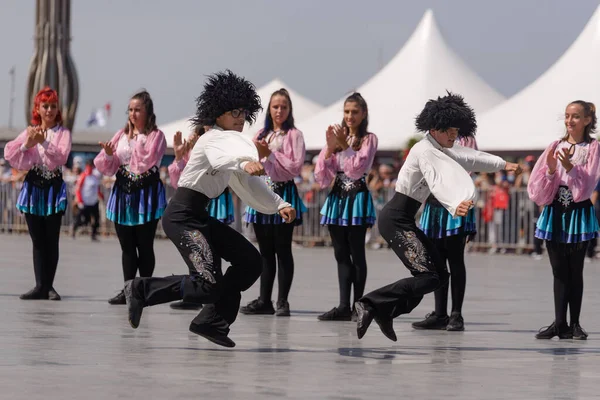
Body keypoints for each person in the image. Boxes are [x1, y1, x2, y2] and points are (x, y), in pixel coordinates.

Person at [123, 70, 296, 348]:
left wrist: (279, 204)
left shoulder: (230, 141)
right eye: (233, 112)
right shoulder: (214, 139)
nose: (240, 118)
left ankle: (212, 321)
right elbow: (226, 156)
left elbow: (248, 183)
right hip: (182, 216)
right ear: (217, 114)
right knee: (207, 283)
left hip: (199, 215)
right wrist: (244, 162)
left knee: (251, 263)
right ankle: (142, 289)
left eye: (243, 112)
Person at [354, 92, 521, 341]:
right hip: (395, 219)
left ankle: (386, 311)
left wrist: (499, 164)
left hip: (404, 219)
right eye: (449, 130)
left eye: (456, 129)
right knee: (429, 276)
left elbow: (468, 156)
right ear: (434, 127)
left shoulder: (441, 147)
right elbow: (437, 179)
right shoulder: (425, 150)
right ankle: (370, 303)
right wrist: (455, 203)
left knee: (441, 276)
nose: (454, 135)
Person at [528, 101, 599, 340]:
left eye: (576, 116)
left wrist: (569, 166)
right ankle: (560, 323)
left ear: (587, 120)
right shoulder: (555, 145)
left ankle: (575, 322)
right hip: (555, 210)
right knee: (558, 270)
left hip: (578, 212)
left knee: (574, 269)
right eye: (567, 116)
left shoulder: (593, 147)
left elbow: (586, 187)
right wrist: (550, 170)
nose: (570, 121)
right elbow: (538, 184)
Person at [94, 90, 167, 305]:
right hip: (124, 193)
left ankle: (143, 289)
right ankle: (128, 289)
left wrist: (137, 140)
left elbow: (147, 160)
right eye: (131, 110)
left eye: (138, 110)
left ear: (147, 112)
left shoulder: (156, 136)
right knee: (127, 246)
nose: (133, 114)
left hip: (146, 194)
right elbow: (110, 165)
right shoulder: (121, 135)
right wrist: (109, 154)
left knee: (144, 245)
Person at [240, 88, 307, 317]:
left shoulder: (294, 135)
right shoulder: (261, 133)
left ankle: (282, 301)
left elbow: (295, 166)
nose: (279, 111)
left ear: (289, 110)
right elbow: (251, 159)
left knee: (283, 248)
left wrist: (270, 154)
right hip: (262, 191)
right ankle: (264, 299)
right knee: (265, 250)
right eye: (275, 106)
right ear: (269, 109)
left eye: (284, 107)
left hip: (284, 192)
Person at [314, 93, 378, 321]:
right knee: (341, 253)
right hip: (337, 198)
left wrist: (345, 147)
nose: (350, 116)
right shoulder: (337, 136)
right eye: (346, 111)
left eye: (354, 112)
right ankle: (343, 305)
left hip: (357, 198)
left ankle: (358, 305)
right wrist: (330, 150)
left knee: (357, 252)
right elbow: (322, 176)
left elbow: (357, 169)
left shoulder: (369, 139)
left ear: (363, 114)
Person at [4, 87, 72, 300]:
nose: (49, 110)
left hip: (53, 188)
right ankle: (39, 285)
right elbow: (12, 154)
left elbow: (60, 157)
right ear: (38, 108)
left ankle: (49, 286)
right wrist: (27, 144)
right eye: (45, 106)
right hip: (34, 187)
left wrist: (42, 141)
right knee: (37, 239)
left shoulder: (63, 133)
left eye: (53, 106)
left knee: (51, 238)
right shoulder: (30, 131)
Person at [412, 136, 479, 332]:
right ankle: (440, 313)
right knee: (437, 261)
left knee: (456, 259)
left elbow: (466, 167)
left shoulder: (466, 139)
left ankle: (456, 314)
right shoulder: (431, 139)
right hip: (434, 205)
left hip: (456, 203)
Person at [167, 126, 235, 311]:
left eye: (200, 134)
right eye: (196, 134)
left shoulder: (218, 150)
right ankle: (196, 293)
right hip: (195, 206)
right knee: (196, 249)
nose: (196, 138)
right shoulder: (192, 157)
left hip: (213, 202)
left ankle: (211, 294)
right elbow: (176, 182)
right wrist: (179, 157)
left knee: (211, 249)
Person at [72, 159, 104, 241]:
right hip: (84, 202)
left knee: (96, 219)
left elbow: (97, 189)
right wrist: (80, 201)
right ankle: (74, 230)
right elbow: (78, 189)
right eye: (88, 166)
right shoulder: (83, 176)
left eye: (91, 166)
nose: (90, 168)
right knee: (81, 219)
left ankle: (93, 234)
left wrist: (101, 196)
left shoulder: (95, 177)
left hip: (93, 202)